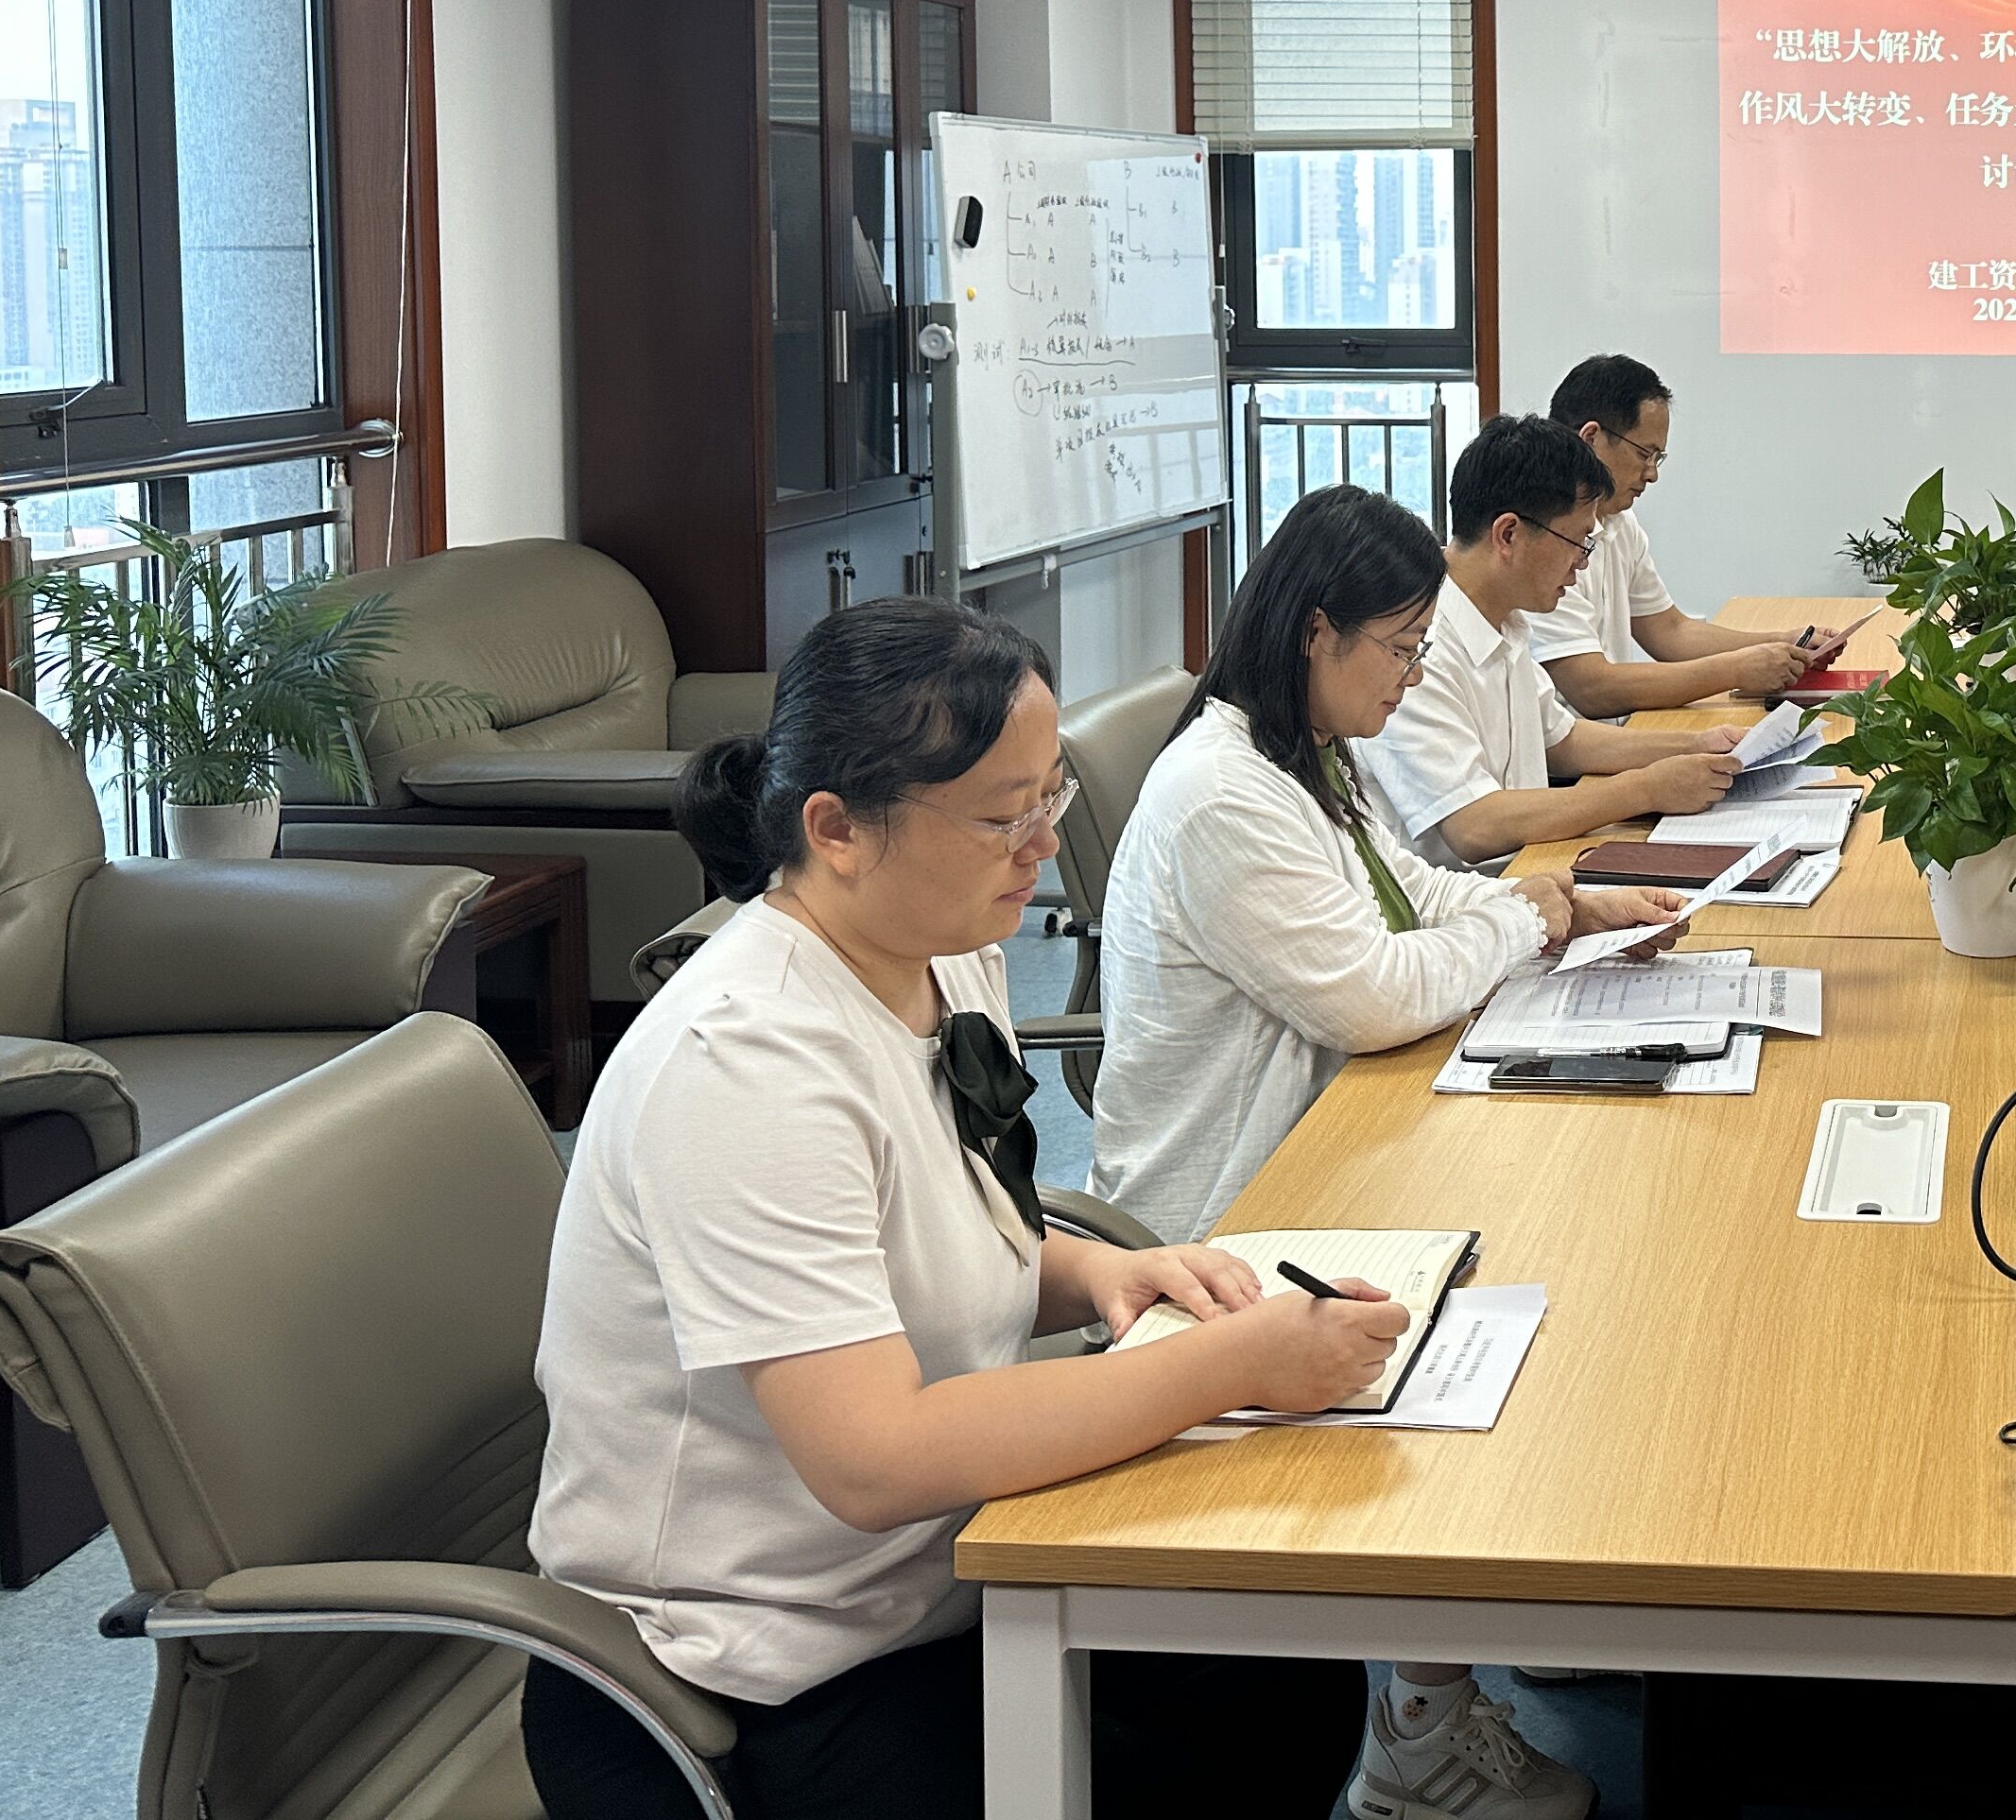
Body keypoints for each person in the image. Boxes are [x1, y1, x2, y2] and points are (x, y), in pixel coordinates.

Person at [524, 598, 1400, 1820]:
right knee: (1204, 1743)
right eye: (1001, 817)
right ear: (836, 828)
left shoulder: (942, 949)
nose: (1042, 847)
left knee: (1280, 1677)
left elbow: (941, 1232)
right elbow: (874, 1458)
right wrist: (1234, 1365)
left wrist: (1094, 1275)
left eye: (1049, 798)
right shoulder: (745, 1065)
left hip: (941, 1573)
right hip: (754, 1670)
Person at [1092, 482, 1675, 1820]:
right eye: (1401, 648)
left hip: (1337, 1135)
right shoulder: (1224, 795)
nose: (1414, 676)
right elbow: (1371, 992)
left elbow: (1412, 901)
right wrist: (1531, 922)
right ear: (1316, 632)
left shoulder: (1304, 750)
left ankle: (1484, 1637)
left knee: (1583, 1213)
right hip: (1232, 1206)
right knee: (1533, 1265)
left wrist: (1559, 902)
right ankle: (1419, 1730)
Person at [1356, 414, 1748, 870]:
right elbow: (1474, 826)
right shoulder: (1418, 644)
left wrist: (1698, 746)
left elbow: (1563, 739)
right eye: (1578, 542)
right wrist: (1645, 788)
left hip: (1534, 872)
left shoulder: (1505, 619)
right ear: (1508, 534)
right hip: (1471, 898)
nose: (1582, 562)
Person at [1532, 352, 1846, 717]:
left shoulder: (1620, 522)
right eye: (1645, 454)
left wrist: (1782, 642)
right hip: (1569, 750)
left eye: (1658, 458)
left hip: (1610, 733)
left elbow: (1670, 630)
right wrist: (1736, 670)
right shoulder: (1541, 537)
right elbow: (1592, 688)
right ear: (1591, 439)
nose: (1652, 474)